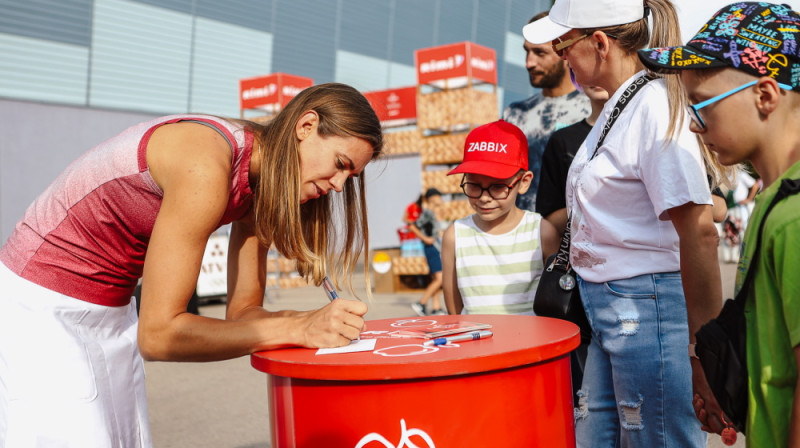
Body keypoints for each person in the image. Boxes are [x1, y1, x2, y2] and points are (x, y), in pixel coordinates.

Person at [0, 83, 383, 447]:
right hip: (41, 308)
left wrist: (311, 323)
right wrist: (297, 328)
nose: (338, 185)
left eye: (350, 177)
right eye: (340, 164)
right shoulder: (206, 165)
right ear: (306, 125)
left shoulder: (261, 182)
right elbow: (160, 335)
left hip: (111, 311)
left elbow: (243, 313)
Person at [524, 0, 725, 445]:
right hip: (615, 310)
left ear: (598, 43)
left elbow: (699, 230)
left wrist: (703, 354)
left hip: (644, 307)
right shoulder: (625, 105)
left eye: (563, 44)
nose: (561, 56)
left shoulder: (651, 106)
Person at [638, 3, 800, 445]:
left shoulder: (793, 217)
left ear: (765, 96)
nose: (693, 126)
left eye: (699, 107)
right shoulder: (773, 199)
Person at [441, 120, 558, 315]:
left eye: (497, 187)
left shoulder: (542, 232)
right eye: (474, 185)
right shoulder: (455, 236)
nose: (484, 197)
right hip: (477, 344)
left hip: (533, 344)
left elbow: (554, 301)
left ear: (523, 182)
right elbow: (454, 312)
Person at [503, 11, 591, 212]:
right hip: (521, 237)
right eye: (527, 51)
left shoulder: (593, 111)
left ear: (565, 51)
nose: (529, 63)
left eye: (540, 53)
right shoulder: (514, 114)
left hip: (571, 235)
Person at [409, 188, 446, 316]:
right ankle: (421, 303)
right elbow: (413, 226)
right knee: (440, 279)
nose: (441, 199)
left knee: (436, 278)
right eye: (439, 196)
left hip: (435, 248)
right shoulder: (428, 213)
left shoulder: (433, 213)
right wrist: (426, 239)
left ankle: (436, 308)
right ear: (432, 198)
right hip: (431, 248)